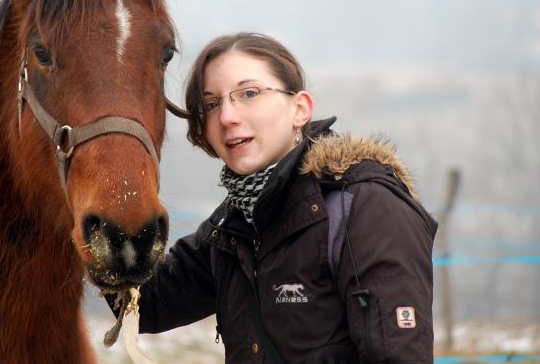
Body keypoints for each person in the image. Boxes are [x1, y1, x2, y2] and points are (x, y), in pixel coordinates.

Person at [110, 32, 437, 363]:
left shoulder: (363, 206)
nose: (227, 117)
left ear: (300, 108)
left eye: (249, 93)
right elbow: (149, 304)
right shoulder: (235, 223)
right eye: (211, 104)